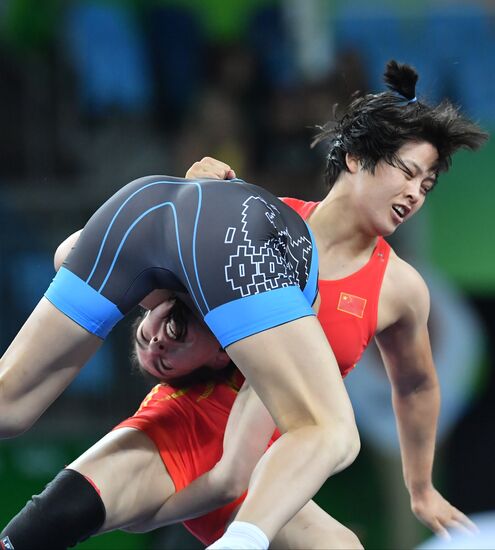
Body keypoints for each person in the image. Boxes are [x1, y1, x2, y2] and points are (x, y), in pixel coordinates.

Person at [1, 60, 487, 549]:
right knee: (44, 521)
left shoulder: (399, 287)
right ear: (358, 157)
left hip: (271, 470)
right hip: (186, 430)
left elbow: (417, 383)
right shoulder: (257, 227)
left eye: (426, 186)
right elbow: (107, 259)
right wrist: (195, 194)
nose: (413, 195)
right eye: (406, 172)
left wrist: (420, 487)